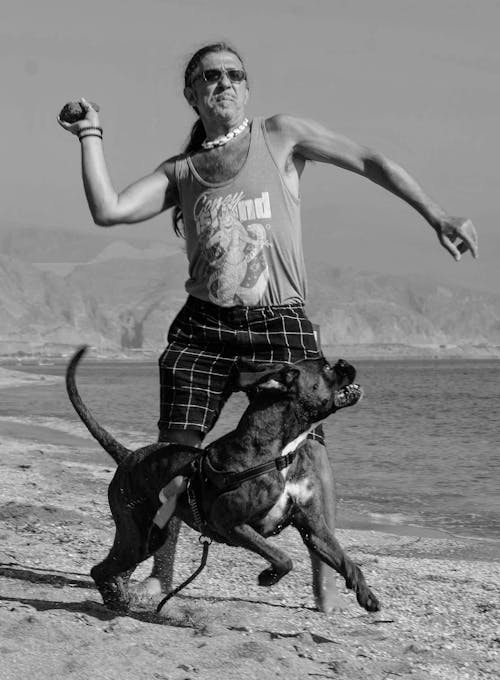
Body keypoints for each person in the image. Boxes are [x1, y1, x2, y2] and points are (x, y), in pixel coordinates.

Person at [58, 42, 478, 613]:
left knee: (311, 445)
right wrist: (92, 134)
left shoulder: (280, 136)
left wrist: (436, 213)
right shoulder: (181, 171)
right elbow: (108, 210)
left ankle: (324, 569)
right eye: (210, 77)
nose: (223, 83)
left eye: (234, 74)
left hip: (280, 323)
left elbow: (369, 160)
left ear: (247, 88)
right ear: (192, 94)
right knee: (176, 454)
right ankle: (160, 574)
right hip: (203, 329)